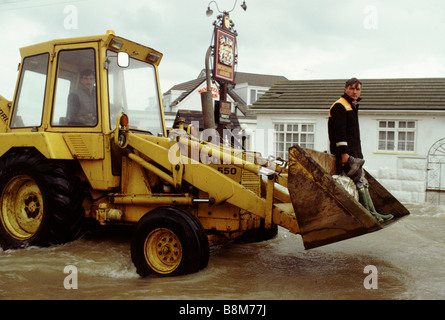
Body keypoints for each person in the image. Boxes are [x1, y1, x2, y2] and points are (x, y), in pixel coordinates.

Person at [328, 77, 393, 222]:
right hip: (346, 153)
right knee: (359, 181)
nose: (354, 91)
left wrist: (358, 154)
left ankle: (373, 212)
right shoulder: (340, 106)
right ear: (345, 90)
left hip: (354, 153)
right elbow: (340, 133)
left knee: (362, 181)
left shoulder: (351, 106)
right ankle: (371, 214)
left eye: (357, 89)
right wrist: (344, 154)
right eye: (351, 88)